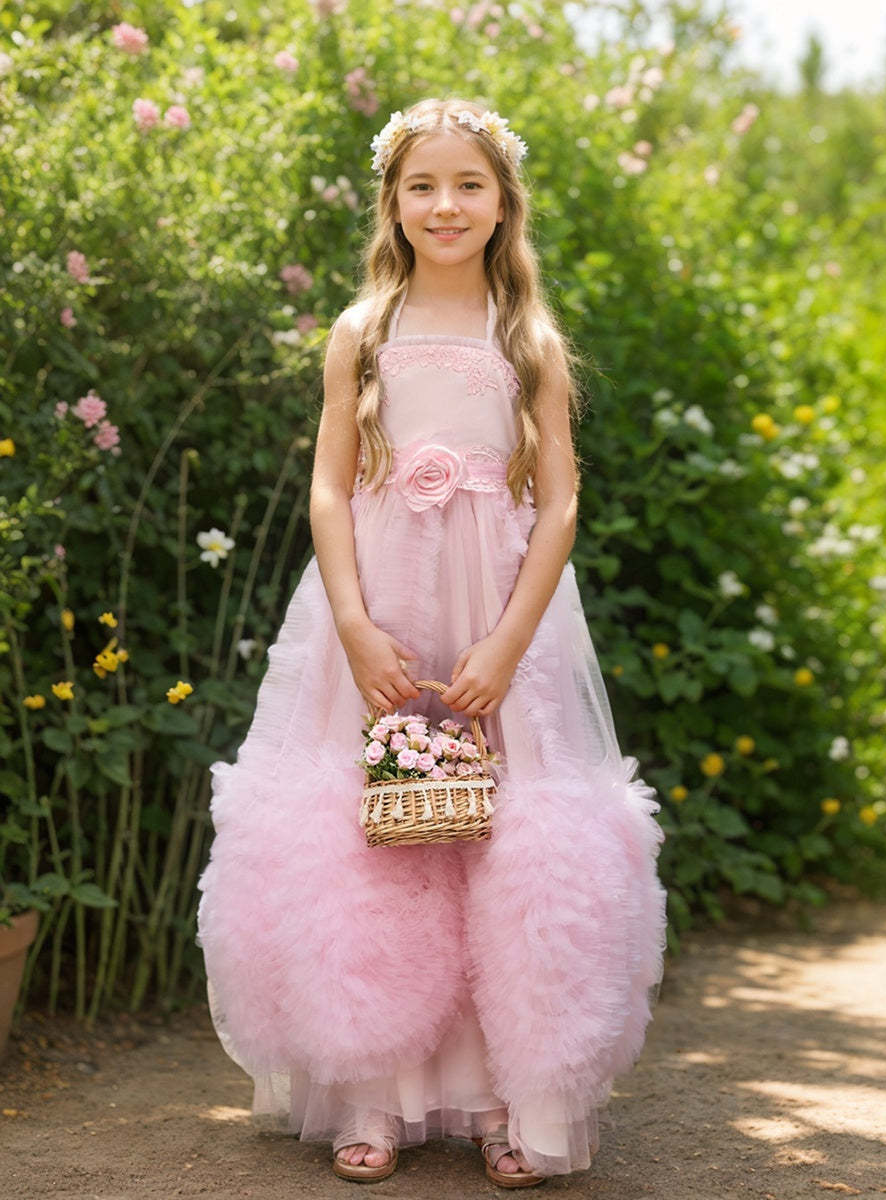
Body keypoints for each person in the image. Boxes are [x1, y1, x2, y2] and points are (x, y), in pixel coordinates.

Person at [196, 96, 667, 1188]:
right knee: (375, 825)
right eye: (423, 186)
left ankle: (513, 1099)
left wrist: (509, 640)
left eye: (468, 184)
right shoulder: (361, 330)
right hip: (379, 599)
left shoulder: (527, 338)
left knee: (505, 833)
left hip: (498, 604)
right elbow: (327, 485)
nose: (444, 204)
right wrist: (355, 625)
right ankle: (377, 1092)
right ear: (392, 204)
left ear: (504, 204)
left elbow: (557, 505)